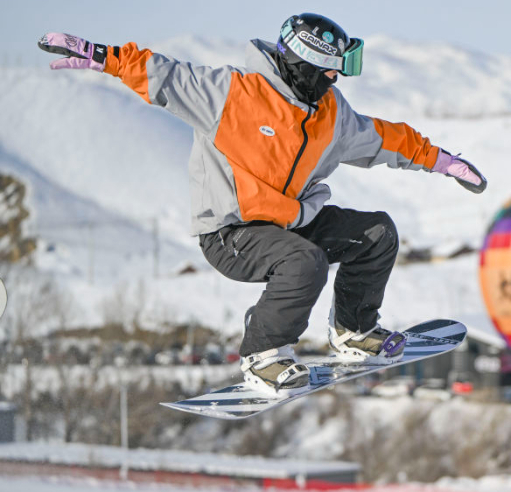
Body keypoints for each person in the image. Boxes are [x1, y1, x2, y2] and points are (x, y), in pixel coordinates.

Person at [38, 13, 486, 395]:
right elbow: (163, 74)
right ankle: (262, 356)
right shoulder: (233, 94)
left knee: (377, 232)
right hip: (230, 231)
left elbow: (383, 137)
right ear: (305, 66)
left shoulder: (330, 114)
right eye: (331, 71)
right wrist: (102, 56)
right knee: (305, 261)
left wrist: (441, 161)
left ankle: (354, 330)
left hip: (288, 224)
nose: (336, 80)